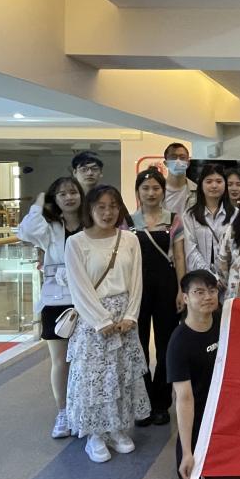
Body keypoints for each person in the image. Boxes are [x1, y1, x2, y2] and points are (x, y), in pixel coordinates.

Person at [64, 185, 150, 463]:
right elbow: (79, 288)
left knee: (122, 374)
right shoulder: (75, 243)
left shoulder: (130, 240)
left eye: (113, 206)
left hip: (124, 318)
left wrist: (131, 315)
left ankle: (116, 429)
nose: (108, 212)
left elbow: (136, 281)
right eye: (101, 206)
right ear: (89, 209)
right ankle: (95, 435)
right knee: (95, 378)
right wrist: (100, 320)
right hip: (93, 321)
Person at [17, 176, 84, 439]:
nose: (69, 197)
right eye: (62, 194)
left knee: (85, 360)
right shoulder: (50, 228)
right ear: (54, 199)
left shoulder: (90, 224)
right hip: (56, 301)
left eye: (73, 192)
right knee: (60, 361)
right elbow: (25, 231)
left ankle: (83, 410)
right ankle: (63, 412)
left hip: (87, 301)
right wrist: (38, 202)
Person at [130, 168, 186, 427]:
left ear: (163, 191)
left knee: (166, 344)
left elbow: (180, 256)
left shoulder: (174, 219)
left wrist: (181, 289)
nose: (151, 193)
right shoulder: (127, 222)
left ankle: (161, 403)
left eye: (156, 188)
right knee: (137, 345)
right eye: (145, 188)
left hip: (166, 286)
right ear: (138, 191)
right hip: (136, 289)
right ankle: (142, 403)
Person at [167, 270, 220, 479]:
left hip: (225, 404)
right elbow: (184, 399)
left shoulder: (222, 320)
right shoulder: (179, 343)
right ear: (186, 298)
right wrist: (187, 452)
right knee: (193, 476)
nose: (208, 297)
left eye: (212, 291)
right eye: (199, 292)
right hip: (198, 412)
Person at [181, 163, 235, 280]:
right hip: (200, 279)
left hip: (230, 279)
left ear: (225, 185)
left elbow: (237, 250)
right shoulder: (190, 216)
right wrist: (209, 276)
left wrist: (223, 276)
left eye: (219, 181)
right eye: (209, 181)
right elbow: (191, 250)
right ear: (201, 185)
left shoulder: (236, 215)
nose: (214, 185)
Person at [163, 142, 196, 214]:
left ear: (188, 163)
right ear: (166, 163)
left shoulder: (197, 190)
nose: (178, 161)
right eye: (173, 157)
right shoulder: (158, 190)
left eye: (182, 157)